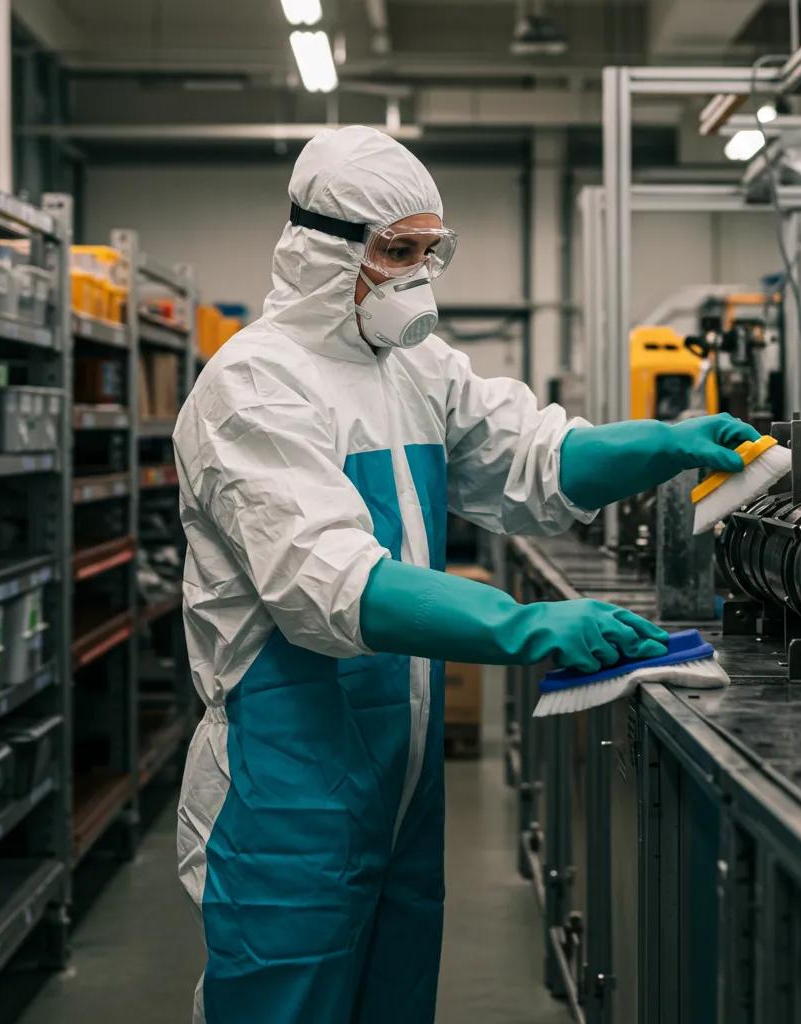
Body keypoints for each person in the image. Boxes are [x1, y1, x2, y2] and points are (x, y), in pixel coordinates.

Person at [173, 125, 760, 1024]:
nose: (416, 278)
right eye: (396, 253)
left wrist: (667, 444)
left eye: (429, 253)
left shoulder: (413, 366)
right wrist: (528, 625)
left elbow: (533, 457)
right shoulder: (254, 386)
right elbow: (330, 584)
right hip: (287, 792)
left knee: (396, 1001)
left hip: (400, 781)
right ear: (323, 249)